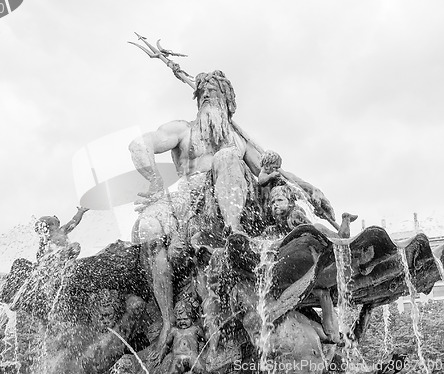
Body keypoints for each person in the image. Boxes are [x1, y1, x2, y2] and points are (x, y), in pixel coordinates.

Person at [128, 70, 334, 351]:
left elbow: (273, 173)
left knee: (226, 156)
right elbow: (139, 145)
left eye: (214, 93)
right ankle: (167, 321)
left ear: (228, 103)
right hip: (185, 197)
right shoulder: (183, 130)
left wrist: (295, 178)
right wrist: (153, 179)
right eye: (202, 95)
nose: (207, 97)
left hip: (231, 202)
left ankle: (234, 232)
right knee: (147, 228)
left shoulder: (239, 143)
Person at [159, 300, 206, 374]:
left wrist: (202, 346)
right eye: (179, 320)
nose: (182, 322)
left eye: (185, 319)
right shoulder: (174, 330)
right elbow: (167, 345)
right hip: (178, 357)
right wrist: (161, 357)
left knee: (202, 371)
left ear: (192, 317)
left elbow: (204, 339)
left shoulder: (195, 329)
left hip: (192, 355)